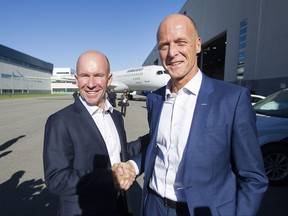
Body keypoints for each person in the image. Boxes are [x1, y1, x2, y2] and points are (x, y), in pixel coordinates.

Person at [113, 14, 268, 216]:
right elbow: (158, 146)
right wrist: (134, 166)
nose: (172, 53)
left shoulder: (232, 100)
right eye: (164, 45)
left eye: (181, 42)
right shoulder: (155, 99)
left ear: (197, 45)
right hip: (154, 206)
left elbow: (253, 178)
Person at [43, 50, 145, 216]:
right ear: (76, 80)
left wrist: (153, 135)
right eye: (84, 75)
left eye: (98, 75)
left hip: (120, 207)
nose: (91, 84)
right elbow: (56, 179)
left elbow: (119, 153)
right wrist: (109, 178)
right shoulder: (60, 121)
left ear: (109, 79)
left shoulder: (116, 116)